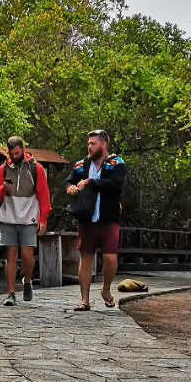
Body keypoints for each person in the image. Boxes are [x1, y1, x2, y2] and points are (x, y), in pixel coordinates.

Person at [66, 130, 127, 312]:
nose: (89, 147)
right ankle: (84, 300)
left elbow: (116, 185)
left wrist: (92, 182)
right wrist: (70, 188)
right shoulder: (81, 165)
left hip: (109, 218)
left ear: (104, 144)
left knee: (110, 257)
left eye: (93, 143)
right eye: (88, 143)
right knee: (85, 258)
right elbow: (69, 181)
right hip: (87, 218)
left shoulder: (116, 163)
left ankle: (106, 289)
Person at [0, 136, 51, 306]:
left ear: (23, 149)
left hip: (29, 217)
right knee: (11, 256)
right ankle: (11, 293)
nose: (15, 156)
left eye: (17, 153)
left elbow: (44, 196)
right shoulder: (3, 169)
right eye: (11, 153)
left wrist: (43, 218)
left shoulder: (35, 168)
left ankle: (28, 280)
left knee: (27, 256)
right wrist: (3, 189)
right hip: (9, 216)